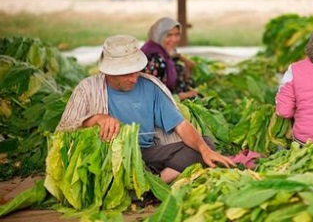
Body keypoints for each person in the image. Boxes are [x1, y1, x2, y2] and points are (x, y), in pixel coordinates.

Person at [56, 35, 234, 183]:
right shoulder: (87, 89)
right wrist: (95, 119)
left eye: (136, 71)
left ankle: (155, 183)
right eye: (126, 73)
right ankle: (140, 183)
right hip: (109, 157)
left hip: (148, 153)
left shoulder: (149, 86)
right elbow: (63, 130)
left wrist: (204, 150)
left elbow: (181, 125)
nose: (134, 78)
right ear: (109, 71)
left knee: (204, 144)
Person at [141, 17, 198, 101]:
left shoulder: (158, 47)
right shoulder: (156, 59)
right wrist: (182, 96)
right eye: (169, 35)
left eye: (177, 34)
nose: (174, 39)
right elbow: (154, 97)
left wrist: (184, 60)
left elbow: (173, 56)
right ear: (159, 35)